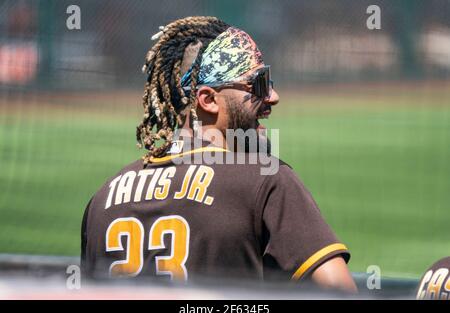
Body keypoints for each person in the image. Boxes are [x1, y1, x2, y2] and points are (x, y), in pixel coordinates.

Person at [81, 16, 357, 293]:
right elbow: (341, 294)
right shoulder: (266, 181)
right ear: (208, 100)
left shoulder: (102, 199)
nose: (273, 96)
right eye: (259, 83)